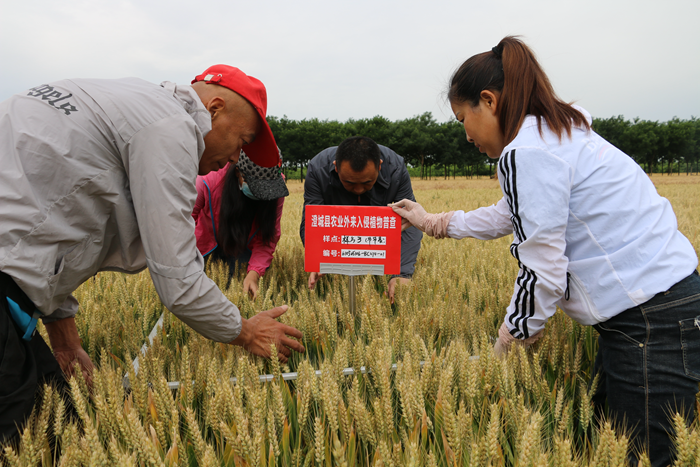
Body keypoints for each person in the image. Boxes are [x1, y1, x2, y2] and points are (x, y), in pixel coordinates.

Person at [392, 36, 699, 466]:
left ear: (489, 101)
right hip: (658, 307)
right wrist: (433, 222)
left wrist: (510, 339)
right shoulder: (556, 134)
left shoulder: (530, 152)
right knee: (612, 445)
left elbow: (542, 271)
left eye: (463, 118)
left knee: (643, 456)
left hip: (648, 318)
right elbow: (512, 213)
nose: (466, 135)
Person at [0, 65, 304, 443]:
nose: (234, 158)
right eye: (242, 141)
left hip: (12, 289)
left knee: (58, 420)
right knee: (29, 436)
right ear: (214, 109)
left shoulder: (130, 101)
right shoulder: (170, 127)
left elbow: (52, 229)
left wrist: (66, 341)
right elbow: (178, 279)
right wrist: (247, 332)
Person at [300, 136, 422, 303]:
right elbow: (312, 220)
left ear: (380, 166)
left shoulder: (396, 168)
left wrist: (402, 274)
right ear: (336, 167)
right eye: (349, 182)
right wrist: (318, 257)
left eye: (367, 182)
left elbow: (410, 221)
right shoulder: (318, 168)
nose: (358, 190)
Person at [193, 150, 288, 299]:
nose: (261, 195)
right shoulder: (208, 179)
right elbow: (183, 221)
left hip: (243, 246)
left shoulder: (276, 189)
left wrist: (254, 274)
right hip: (207, 242)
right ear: (238, 172)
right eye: (257, 187)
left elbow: (267, 237)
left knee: (239, 286)